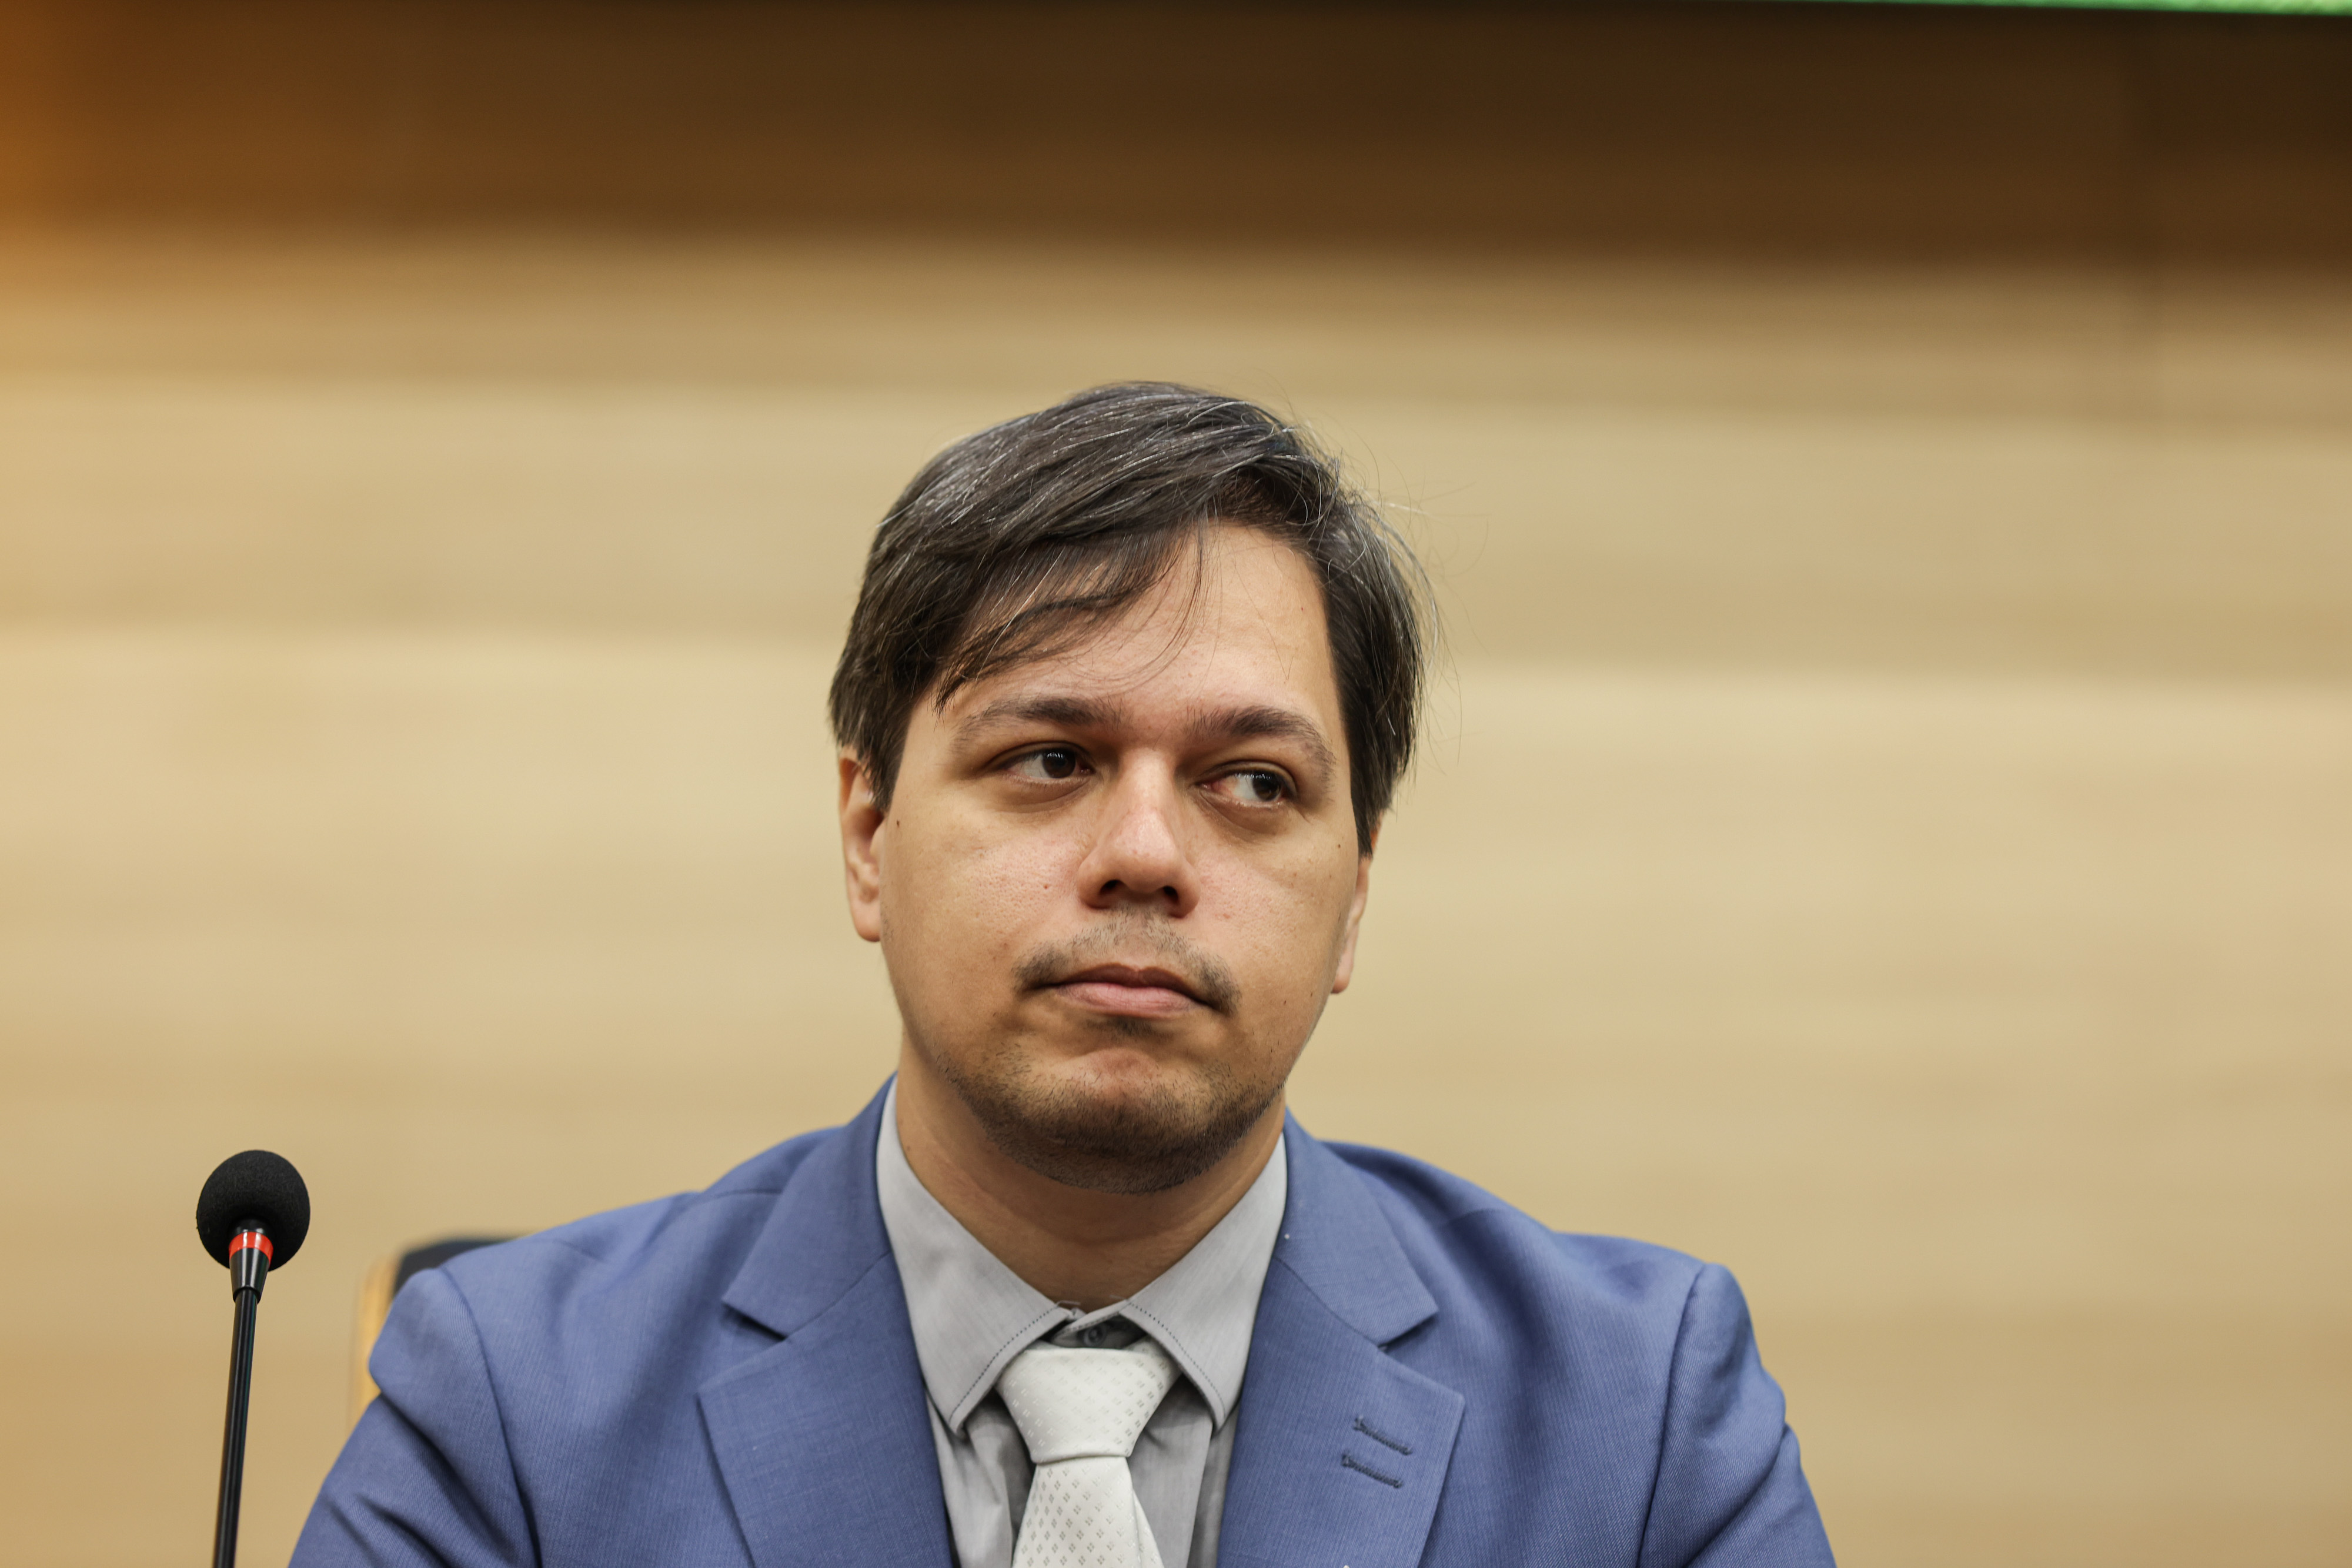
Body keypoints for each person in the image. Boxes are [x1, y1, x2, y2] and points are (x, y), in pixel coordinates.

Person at [294, 383, 1835, 1567]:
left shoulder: (1640, 1414)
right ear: (868, 837)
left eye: (1253, 784)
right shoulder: (513, 1403)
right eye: (1050, 758)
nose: (1145, 853)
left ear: (1356, 893)